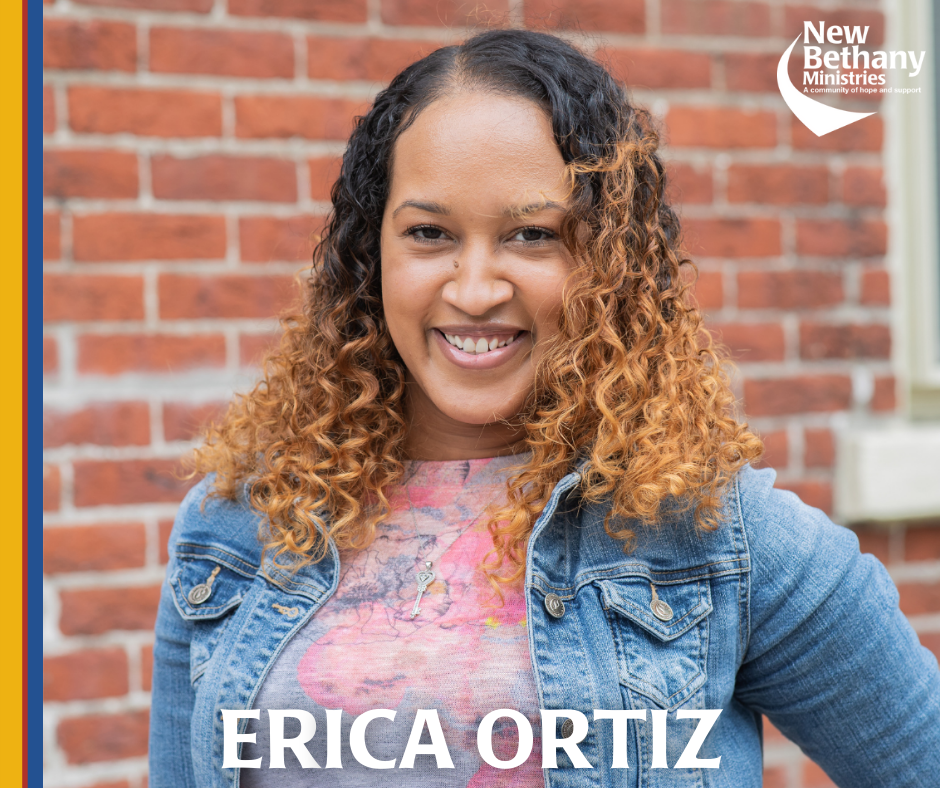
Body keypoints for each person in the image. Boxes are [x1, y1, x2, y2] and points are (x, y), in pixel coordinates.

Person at [148, 28, 940, 788]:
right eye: (428, 233)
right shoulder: (233, 533)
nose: (475, 289)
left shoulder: (717, 537)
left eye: (531, 235)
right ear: (370, 254)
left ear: (611, 263)